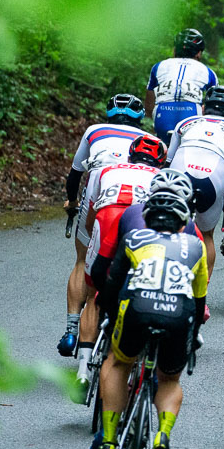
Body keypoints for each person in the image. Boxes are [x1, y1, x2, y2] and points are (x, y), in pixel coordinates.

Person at [90, 187, 207, 449]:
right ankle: (162, 437)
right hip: (178, 316)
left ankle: (107, 440)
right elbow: (199, 299)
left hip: (137, 310)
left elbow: (112, 285)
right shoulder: (195, 245)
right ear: (183, 222)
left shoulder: (134, 237)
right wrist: (192, 338)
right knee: (169, 380)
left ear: (147, 217)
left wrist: (107, 316)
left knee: (118, 363)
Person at [75, 134, 167, 392]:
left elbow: (91, 213)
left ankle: (83, 369)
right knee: (137, 287)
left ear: (129, 156)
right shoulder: (161, 178)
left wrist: (98, 242)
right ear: (160, 163)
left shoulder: (107, 169)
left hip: (106, 218)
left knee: (94, 295)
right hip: (139, 224)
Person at [60, 93, 147, 356]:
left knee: (81, 260)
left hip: (98, 191)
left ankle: (72, 329)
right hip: (133, 197)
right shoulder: (151, 141)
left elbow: (75, 174)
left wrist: (72, 201)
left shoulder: (94, 130)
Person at [166, 85, 224, 279]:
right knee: (206, 235)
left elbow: (168, 164)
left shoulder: (185, 122)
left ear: (203, 108)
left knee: (168, 227)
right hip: (213, 178)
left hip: (180, 171)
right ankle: (201, 297)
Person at [145, 29, 219, 140]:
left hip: (162, 114)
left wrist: (154, 120)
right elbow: (215, 105)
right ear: (199, 53)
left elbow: (149, 101)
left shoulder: (159, 66)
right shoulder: (208, 72)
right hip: (191, 116)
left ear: (175, 50)